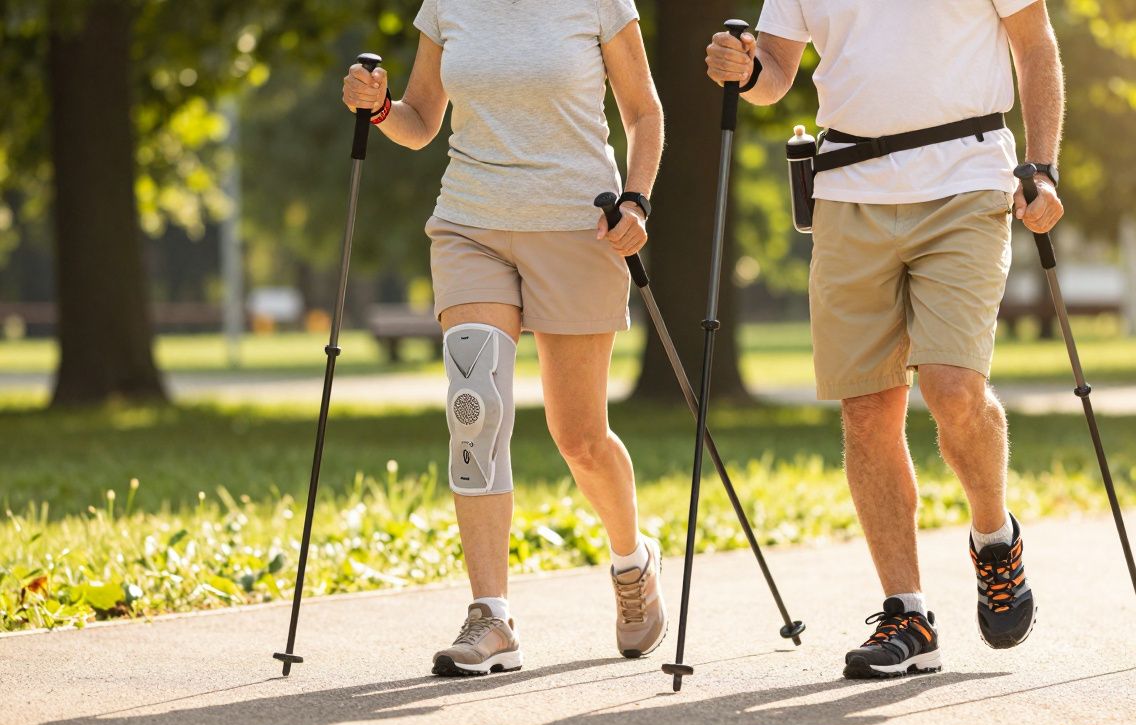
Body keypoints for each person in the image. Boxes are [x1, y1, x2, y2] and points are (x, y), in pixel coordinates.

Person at [706, 0, 1066, 678]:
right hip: (847, 190)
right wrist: (745, 70)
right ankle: (908, 615)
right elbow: (776, 69)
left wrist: (1042, 165)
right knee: (867, 409)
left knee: (953, 390)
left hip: (966, 181)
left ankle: (995, 537)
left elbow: (1035, 45)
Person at [341, 0, 665, 676]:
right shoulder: (447, 4)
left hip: (580, 227)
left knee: (580, 438)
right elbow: (421, 120)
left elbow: (643, 113)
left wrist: (636, 199)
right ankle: (491, 615)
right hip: (471, 225)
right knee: (475, 409)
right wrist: (379, 109)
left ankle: (632, 561)